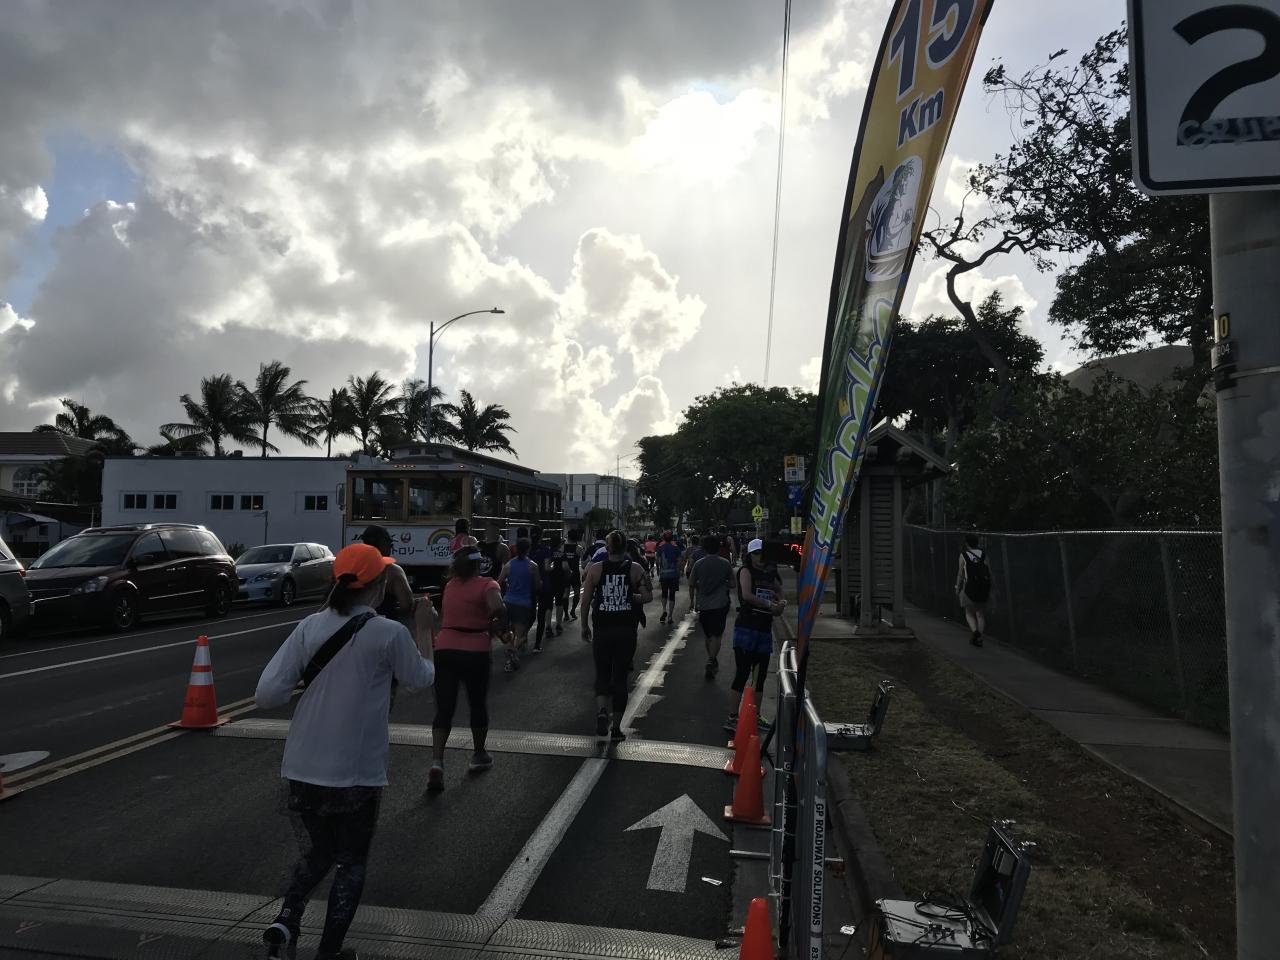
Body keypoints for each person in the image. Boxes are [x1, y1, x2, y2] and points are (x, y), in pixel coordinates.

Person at [256, 543, 434, 960]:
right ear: (378, 586)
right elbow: (421, 677)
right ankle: (329, 952)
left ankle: (286, 917)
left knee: (319, 851)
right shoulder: (387, 632)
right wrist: (426, 629)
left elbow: (267, 694)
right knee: (350, 863)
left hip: (302, 766)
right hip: (355, 773)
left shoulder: (309, 627)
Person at [428, 539, 506, 793]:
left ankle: (437, 762)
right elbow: (497, 607)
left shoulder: (450, 585)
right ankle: (479, 754)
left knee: (444, 708)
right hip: (475, 650)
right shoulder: (487, 584)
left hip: (445, 648)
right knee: (477, 704)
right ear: (479, 565)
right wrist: (495, 624)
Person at [580, 530, 652, 741]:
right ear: (626, 548)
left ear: (607, 548)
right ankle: (617, 728)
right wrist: (630, 597)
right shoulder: (636, 569)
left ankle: (602, 711)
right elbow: (647, 596)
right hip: (626, 629)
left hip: (602, 627)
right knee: (620, 676)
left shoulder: (596, 569)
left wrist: (584, 626)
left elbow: (585, 602)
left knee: (602, 673)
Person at [726, 538, 785, 732]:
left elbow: (779, 592)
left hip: (764, 628)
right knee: (742, 673)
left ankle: (756, 715)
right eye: (756, 553)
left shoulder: (771, 573)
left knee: (760, 677)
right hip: (747, 627)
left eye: (762, 553)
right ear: (749, 555)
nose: (760, 557)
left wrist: (781, 604)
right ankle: (732, 717)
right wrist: (768, 604)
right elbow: (747, 595)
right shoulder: (746, 571)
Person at [689, 535, 733, 679]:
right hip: (720, 603)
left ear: (704, 548)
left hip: (704, 604)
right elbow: (733, 583)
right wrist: (722, 584)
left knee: (708, 635)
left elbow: (691, 583)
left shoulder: (698, 564)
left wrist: (692, 601)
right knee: (717, 634)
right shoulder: (725, 563)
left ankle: (711, 659)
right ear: (718, 548)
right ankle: (711, 659)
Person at [498, 538, 539, 671]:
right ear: (528, 549)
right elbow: (537, 585)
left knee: (510, 633)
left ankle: (510, 656)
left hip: (508, 601)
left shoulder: (508, 565)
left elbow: (499, 582)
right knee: (521, 636)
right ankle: (512, 652)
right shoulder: (533, 566)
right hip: (523, 603)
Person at [956, 533, 991, 647]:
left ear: (967, 544)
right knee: (980, 613)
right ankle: (979, 636)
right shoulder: (983, 555)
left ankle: (975, 631)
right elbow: (989, 571)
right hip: (983, 586)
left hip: (969, 586)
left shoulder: (963, 555)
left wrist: (957, 587)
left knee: (968, 612)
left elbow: (960, 573)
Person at [529, 526, 555, 652]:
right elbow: (547, 568)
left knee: (529, 614)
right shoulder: (545, 550)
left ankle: (521, 638)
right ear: (541, 536)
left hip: (529, 585)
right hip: (544, 585)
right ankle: (537, 644)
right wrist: (553, 566)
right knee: (541, 616)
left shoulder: (527, 549)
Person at [655, 531, 682, 624]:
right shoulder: (676, 547)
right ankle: (670, 616)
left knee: (664, 593)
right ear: (672, 538)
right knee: (672, 595)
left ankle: (664, 610)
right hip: (673, 574)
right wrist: (678, 570)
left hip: (663, 574)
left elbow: (657, 560)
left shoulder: (660, 547)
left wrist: (659, 570)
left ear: (663, 538)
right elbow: (679, 561)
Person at [549, 533, 571, 635]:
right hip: (559, 581)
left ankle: (548, 626)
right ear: (559, 544)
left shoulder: (547, 553)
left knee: (548, 604)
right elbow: (565, 567)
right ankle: (558, 625)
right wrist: (569, 573)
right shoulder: (562, 554)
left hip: (549, 581)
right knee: (559, 602)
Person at [683, 533, 707, 609]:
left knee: (691, 586)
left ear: (691, 541)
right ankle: (697, 603)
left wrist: (682, 569)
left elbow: (685, 559)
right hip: (700, 570)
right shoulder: (702, 550)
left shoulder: (688, 549)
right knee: (698, 588)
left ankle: (691, 602)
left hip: (690, 570)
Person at [565, 529, 585, 620]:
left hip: (565, 573)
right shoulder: (579, 548)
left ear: (568, 537)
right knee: (577, 593)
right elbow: (583, 561)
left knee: (565, 594)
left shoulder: (562, 547)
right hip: (575, 573)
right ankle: (573, 610)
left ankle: (565, 613)